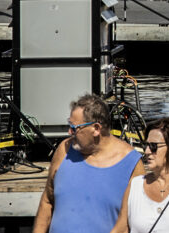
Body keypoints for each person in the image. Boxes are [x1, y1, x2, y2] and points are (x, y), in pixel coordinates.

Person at [34, 94, 144, 233]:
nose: (69, 132)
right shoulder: (64, 150)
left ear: (96, 129)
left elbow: (133, 222)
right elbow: (47, 201)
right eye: (69, 125)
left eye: (74, 128)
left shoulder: (131, 164)